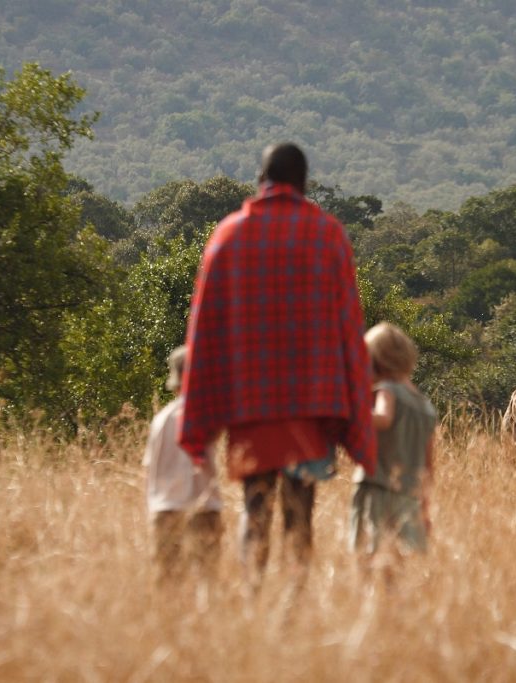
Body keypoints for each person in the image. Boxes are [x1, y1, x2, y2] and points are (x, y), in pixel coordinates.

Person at [179, 142, 376, 592]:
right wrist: (355, 412)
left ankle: (252, 598)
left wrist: (202, 417)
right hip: (310, 408)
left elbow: (203, 332)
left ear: (261, 180)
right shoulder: (328, 235)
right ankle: (293, 606)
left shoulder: (228, 235)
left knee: (255, 509)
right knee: (300, 513)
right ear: (304, 184)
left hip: (251, 409)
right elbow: (349, 329)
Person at [350, 322, 437, 575]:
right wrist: (425, 510)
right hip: (409, 498)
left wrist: (351, 413)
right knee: (397, 568)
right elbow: (429, 465)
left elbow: (384, 418)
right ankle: (394, 610)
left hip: (378, 490)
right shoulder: (425, 406)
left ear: (377, 362)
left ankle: (368, 610)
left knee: (367, 563)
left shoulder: (387, 390)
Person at [143, 345, 223, 585]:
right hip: (203, 504)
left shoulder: (161, 419)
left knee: (167, 580)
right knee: (206, 579)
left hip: (165, 506)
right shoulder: (209, 416)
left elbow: (148, 467)